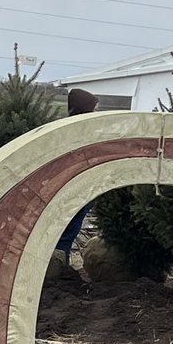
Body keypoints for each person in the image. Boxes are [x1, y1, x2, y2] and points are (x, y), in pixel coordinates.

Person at [53, 89, 100, 271]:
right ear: (85, 109)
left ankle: (58, 264)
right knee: (67, 230)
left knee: (69, 230)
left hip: (82, 188)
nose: (97, 113)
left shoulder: (79, 128)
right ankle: (57, 266)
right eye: (94, 109)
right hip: (75, 188)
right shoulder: (77, 131)